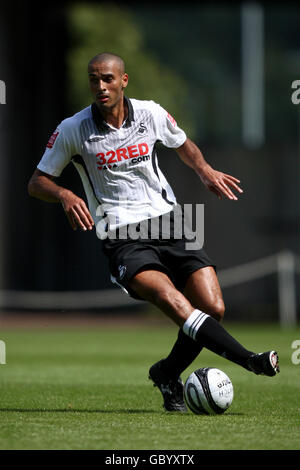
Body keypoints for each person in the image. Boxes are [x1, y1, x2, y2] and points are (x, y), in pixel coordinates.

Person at [28, 52, 279, 413]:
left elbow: (182, 144)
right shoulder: (73, 128)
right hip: (121, 234)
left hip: (172, 221)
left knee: (213, 307)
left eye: (108, 79)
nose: (100, 86)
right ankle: (249, 360)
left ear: (123, 80)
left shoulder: (151, 113)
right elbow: (36, 182)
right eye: (94, 80)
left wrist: (204, 170)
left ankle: (166, 372)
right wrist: (65, 194)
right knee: (177, 304)